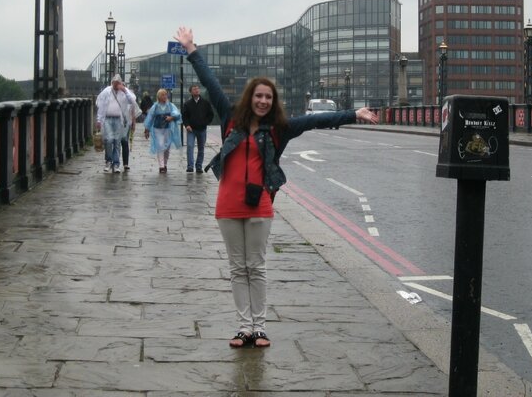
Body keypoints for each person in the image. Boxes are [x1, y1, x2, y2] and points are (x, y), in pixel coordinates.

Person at [173, 26, 378, 349]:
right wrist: (191, 49)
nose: (263, 101)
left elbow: (316, 121)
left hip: (259, 207)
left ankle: (260, 328)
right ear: (250, 97)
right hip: (227, 205)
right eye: (259, 96)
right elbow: (210, 82)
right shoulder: (230, 119)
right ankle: (243, 329)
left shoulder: (279, 129)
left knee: (256, 266)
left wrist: (354, 113)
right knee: (237, 268)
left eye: (268, 97)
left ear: (273, 101)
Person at [95, 74, 137, 174]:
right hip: (108, 119)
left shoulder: (124, 92)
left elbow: (132, 101)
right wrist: (99, 120)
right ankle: (109, 161)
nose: (116, 85)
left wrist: (125, 90)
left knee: (117, 142)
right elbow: (100, 105)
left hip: (119, 120)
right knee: (109, 140)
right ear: (112, 83)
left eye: (118, 83)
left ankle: (116, 163)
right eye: (115, 83)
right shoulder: (107, 91)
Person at [143, 88, 182, 172]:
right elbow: (150, 118)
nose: (165, 96)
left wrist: (171, 117)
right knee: (160, 146)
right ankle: (161, 166)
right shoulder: (155, 106)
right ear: (159, 97)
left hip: (168, 128)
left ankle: (165, 164)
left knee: (167, 147)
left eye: (165, 94)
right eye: (163, 95)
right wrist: (147, 129)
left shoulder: (170, 105)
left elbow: (178, 115)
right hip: (158, 129)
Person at [181, 83, 214, 173]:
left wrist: (205, 123)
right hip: (191, 129)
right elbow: (184, 116)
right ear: (191, 92)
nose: (197, 90)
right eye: (194, 89)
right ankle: (190, 166)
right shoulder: (187, 104)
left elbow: (211, 115)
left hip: (202, 129)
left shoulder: (205, 103)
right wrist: (187, 125)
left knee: (201, 148)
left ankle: (199, 166)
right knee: (190, 147)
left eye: (198, 89)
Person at [120, 86, 139, 171]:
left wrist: (134, 124)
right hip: (118, 123)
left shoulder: (129, 99)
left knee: (125, 142)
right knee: (116, 143)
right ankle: (115, 162)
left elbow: (133, 112)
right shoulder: (116, 99)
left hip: (127, 123)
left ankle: (125, 163)